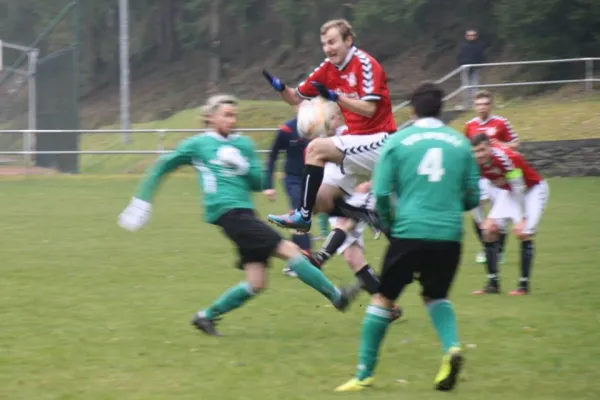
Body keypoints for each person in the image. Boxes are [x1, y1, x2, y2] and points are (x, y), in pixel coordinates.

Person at [116, 94, 361, 336]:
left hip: (245, 213)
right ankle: (337, 297)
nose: (232, 120)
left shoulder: (243, 144)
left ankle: (206, 317)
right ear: (210, 118)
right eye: (227, 115)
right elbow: (163, 165)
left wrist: (242, 165)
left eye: (235, 115)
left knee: (256, 282)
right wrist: (141, 201)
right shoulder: (198, 145)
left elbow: (257, 182)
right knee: (290, 251)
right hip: (226, 212)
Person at [335, 82, 480, 392]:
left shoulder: (398, 141)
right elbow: (472, 198)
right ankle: (452, 348)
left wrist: (390, 223)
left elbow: (383, 192)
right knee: (435, 295)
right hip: (449, 233)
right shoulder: (460, 143)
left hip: (409, 230)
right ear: (440, 110)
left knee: (384, 298)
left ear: (412, 110)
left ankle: (364, 374)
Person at [262, 18, 396, 236]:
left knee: (315, 149)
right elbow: (296, 97)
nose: (328, 48)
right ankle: (367, 216)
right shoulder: (327, 68)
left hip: (380, 140)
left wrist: (336, 97)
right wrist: (280, 87)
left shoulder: (366, 64)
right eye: (324, 44)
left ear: (348, 40)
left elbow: (370, 109)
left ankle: (302, 218)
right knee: (318, 200)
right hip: (354, 142)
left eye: (332, 42)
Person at [470, 133, 549, 295]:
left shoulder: (506, 158)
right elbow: (474, 195)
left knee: (523, 232)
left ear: (490, 147)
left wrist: (522, 218)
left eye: (482, 150)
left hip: (532, 189)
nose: (480, 154)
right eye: (476, 151)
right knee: (489, 231)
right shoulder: (475, 164)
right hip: (509, 192)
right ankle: (493, 284)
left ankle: (523, 286)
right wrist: (480, 221)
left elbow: (519, 186)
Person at [263, 113, 331, 277]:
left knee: (306, 217)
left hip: (313, 178)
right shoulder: (287, 129)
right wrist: (268, 185)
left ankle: (295, 260)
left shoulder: (321, 128)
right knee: (300, 216)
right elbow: (273, 155)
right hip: (292, 179)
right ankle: (305, 261)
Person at [465, 90, 519, 265]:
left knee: (500, 216)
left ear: (491, 105)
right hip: (478, 176)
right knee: (475, 210)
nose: (482, 107)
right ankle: (487, 246)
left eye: (485, 104)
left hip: (497, 176)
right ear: (474, 106)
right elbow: (468, 149)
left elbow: (515, 143)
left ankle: (499, 251)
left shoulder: (501, 123)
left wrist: (500, 145)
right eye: (479, 104)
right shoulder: (470, 126)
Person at [457, 29, 485, 106]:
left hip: (475, 68)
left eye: (473, 35)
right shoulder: (463, 46)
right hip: (465, 68)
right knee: (465, 86)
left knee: (475, 86)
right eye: (469, 35)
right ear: (466, 36)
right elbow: (460, 56)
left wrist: (479, 65)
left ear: (476, 36)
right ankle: (466, 103)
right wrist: (461, 65)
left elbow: (481, 57)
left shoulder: (479, 46)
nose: (471, 37)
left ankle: (475, 103)